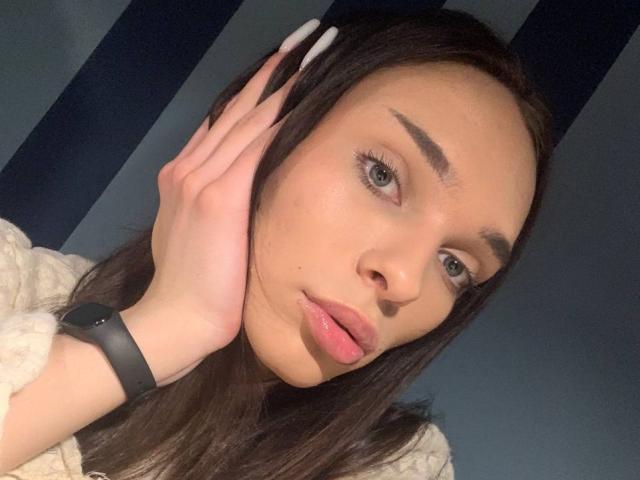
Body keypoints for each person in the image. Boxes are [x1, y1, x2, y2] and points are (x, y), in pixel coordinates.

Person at [0, 7, 554, 480]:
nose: (406, 282)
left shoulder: (393, 465)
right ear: (255, 128)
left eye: (454, 265)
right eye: (382, 175)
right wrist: (165, 329)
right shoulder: (16, 281)